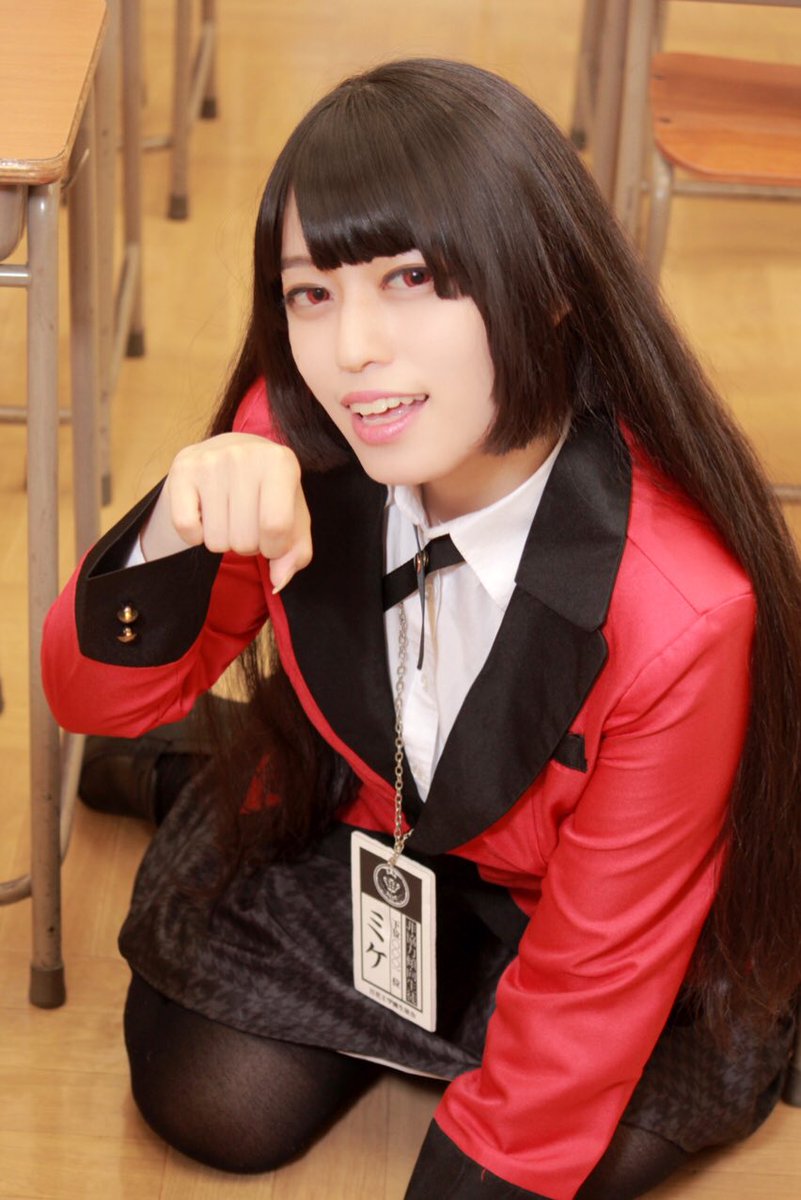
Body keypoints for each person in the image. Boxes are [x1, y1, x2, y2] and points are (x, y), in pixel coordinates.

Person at [41, 58, 801, 1200]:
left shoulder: (682, 614)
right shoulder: (296, 439)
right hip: (378, 813)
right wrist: (173, 532)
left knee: (607, 1137)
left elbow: (588, 995)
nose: (353, 350)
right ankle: (193, 767)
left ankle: (191, 772)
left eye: (412, 279)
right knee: (210, 1096)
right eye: (311, 293)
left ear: (548, 284)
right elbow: (90, 696)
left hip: (596, 905)